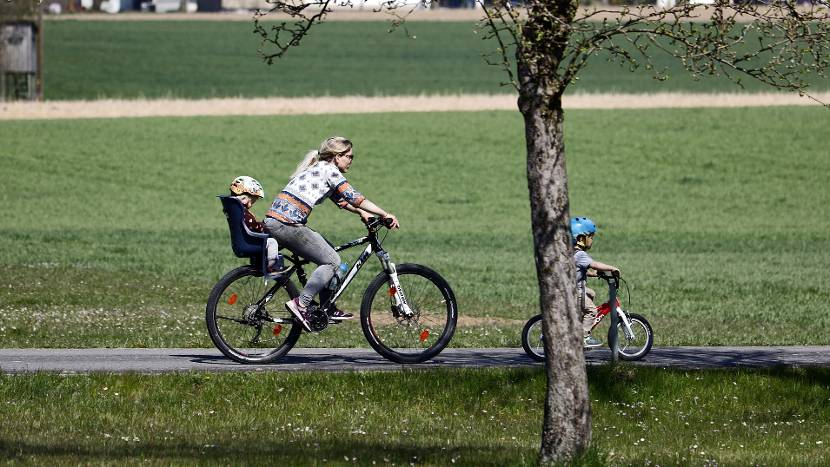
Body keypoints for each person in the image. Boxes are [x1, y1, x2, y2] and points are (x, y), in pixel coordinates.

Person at [264, 136, 399, 332]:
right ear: (337, 157)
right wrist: (384, 213)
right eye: (349, 157)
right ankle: (301, 304)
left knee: (330, 252)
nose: (351, 161)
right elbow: (355, 197)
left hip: (278, 222)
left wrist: (362, 212)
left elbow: (343, 201)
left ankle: (327, 307)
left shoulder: (319, 168)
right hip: (286, 224)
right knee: (332, 261)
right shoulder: (330, 171)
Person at [571, 216, 620, 348]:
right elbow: (594, 264)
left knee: (591, 294)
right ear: (581, 239)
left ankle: (577, 325)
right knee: (592, 310)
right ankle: (584, 337)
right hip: (576, 290)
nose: (592, 240)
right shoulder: (580, 255)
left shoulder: (571, 253)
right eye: (590, 237)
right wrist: (611, 268)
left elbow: (578, 270)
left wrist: (592, 274)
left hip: (571, 288)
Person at [229, 176, 284, 277]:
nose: (251, 204)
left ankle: (261, 265)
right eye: (252, 201)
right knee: (272, 242)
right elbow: (252, 226)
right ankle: (272, 266)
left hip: (244, 241)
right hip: (249, 241)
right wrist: (263, 227)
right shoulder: (244, 213)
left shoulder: (235, 209)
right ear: (244, 199)